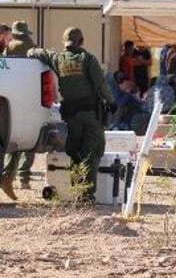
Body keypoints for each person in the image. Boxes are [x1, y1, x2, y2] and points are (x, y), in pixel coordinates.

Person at [28, 27, 116, 203]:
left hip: (72, 116)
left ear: (65, 42)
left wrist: (30, 49)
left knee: (75, 154)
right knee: (92, 153)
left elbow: (34, 52)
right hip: (91, 116)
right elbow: (101, 85)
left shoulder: (58, 59)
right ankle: (87, 196)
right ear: (81, 41)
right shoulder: (88, 59)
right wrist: (112, 103)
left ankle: (77, 192)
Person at [0, 21, 38, 193]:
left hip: (7, 99)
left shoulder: (8, 49)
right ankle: (20, 178)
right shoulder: (32, 47)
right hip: (26, 99)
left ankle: (7, 178)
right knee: (22, 142)